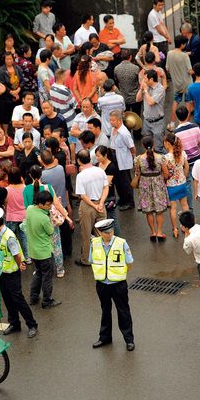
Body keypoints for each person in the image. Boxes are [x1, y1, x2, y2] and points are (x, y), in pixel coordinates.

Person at [0, 206, 38, 339]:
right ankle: (14, 323)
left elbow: (16, 254)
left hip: (12, 273)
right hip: (2, 272)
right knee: (7, 299)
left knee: (18, 299)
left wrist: (20, 264)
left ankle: (32, 325)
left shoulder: (9, 236)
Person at [89, 219, 135, 351]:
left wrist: (120, 274)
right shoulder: (94, 243)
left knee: (123, 312)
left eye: (111, 231)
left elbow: (129, 262)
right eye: (106, 233)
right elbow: (91, 260)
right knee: (105, 311)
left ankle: (129, 339)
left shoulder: (121, 243)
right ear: (100, 233)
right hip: (102, 283)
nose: (110, 234)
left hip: (118, 284)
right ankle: (105, 337)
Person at [26, 190, 61, 308]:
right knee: (47, 277)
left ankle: (33, 297)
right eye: (48, 204)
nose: (50, 206)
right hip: (44, 252)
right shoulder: (44, 218)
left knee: (38, 273)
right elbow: (51, 231)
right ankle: (47, 301)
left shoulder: (30, 209)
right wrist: (51, 217)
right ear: (40, 204)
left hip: (33, 251)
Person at [75, 149, 109, 266]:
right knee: (103, 232)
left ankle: (86, 259)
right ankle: (105, 255)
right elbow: (106, 188)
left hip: (87, 206)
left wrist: (93, 205)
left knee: (86, 233)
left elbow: (82, 195)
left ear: (79, 161)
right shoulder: (100, 171)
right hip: (101, 204)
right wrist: (100, 203)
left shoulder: (80, 176)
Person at [134, 136, 169, 240]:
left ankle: (153, 232)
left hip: (144, 184)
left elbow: (137, 173)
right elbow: (166, 173)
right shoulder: (160, 157)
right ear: (153, 145)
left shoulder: (138, 159)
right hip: (158, 183)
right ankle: (159, 232)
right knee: (159, 211)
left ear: (142, 146)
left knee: (149, 211)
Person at [173, 105, 200, 209]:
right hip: (197, 159)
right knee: (199, 182)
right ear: (188, 115)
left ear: (177, 116)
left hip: (185, 163)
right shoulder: (195, 127)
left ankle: (190, 208)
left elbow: (177, 150)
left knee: (188, 184)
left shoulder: (176, 133)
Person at [164, 133, 189, 238]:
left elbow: (165, 174)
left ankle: (175, 229)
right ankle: (187, 226)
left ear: (168, 143)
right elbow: (186, 167)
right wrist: (184, 176)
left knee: (173, 208)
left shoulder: (166, 158)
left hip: (171, 185)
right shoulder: (182, 153)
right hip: (182, 183)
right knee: (185, 205)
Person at [108, 110, 135, 210]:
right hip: (114, 155)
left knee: (125, 181)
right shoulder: (113, 130)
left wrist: (132, 156)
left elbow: (132, 147)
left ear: (119, 121)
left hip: (122, 159)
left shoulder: (124, 133)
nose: (111, 122)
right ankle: (122, 198)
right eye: (110, 120)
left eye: (113, 120)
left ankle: (129, 201)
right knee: (117, 180)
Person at [137, 70, 166, 153]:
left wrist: (145, 90)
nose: (143, 80)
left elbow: (151, 102)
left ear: (151, 79)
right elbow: (138, 99)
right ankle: (150, 163)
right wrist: (141, 89)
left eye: (145, 78)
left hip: (158, 122)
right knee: (147, 147)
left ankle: (161, 164)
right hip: (147, 121)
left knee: (158, 148)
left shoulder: (160, 89)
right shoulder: (146, 87)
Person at [95, 146, 121, 236]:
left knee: (112, 218)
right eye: (96, 156)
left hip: (109, 197)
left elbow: (107, 183)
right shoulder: (97, 165)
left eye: (99, 156)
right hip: (100, 196)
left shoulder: (111, 167)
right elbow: (105, 183)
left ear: (105, 155)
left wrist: (102, 182)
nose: (97, 158)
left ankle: (118, 238)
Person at [6, 166, 29, 259]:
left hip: (11, 216)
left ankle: (14, 257)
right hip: (23, 216)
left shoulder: (6, 190)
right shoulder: (25, 188)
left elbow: (5, 202)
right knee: (24, 237)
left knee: (11, 238)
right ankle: (27, 257)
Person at [114, 50, 141, 118]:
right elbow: (139, 81)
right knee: (137, 118)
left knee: (125, 118)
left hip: (123, 97)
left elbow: (116, 80)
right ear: (130, 57)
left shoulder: (116, 68)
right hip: (135, 97)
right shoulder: (136, 68)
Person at [185, 63, 200, 134]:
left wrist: (187, 121)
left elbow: (189, 107)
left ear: (194, 72)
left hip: (198, 116)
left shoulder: (190, 88)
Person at [148, 0, 172, 68]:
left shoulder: (158, 12)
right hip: (157, 41)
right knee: (159, 61)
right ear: (154, 5)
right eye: (159, 5)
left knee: (165, 59)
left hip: (163, 39)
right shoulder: (152, 15)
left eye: (162, 5)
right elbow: (159, 30)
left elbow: (162, 25)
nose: (161, 7)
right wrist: (167, 37)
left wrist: (168, 36)